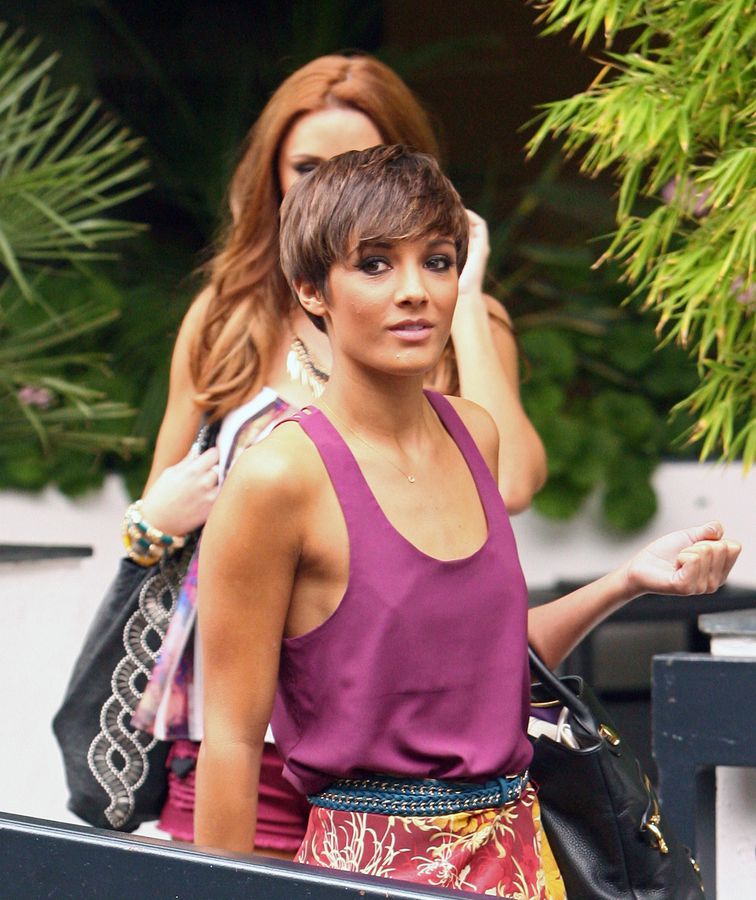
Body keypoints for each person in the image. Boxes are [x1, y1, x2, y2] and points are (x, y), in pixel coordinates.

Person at [194, 145, 740, 896]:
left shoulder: (473, 433)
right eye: (375, 264)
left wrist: (627, 580)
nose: (415, 291)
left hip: (523, 861)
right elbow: (229, 739)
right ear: (312, 290)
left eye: (438, 261)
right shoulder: (277, 478)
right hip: (371, 874)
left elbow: (491, 662)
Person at [124, 52, 546, 854]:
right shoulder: (229, 316)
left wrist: (468, 299)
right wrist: (152, 522)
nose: (340, 185)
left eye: (361, 161)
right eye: (310, 168)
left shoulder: (438, 317)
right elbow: (154, 510)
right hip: (237, 724)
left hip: (401, 748)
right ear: (274, 176)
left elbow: (513, 485)